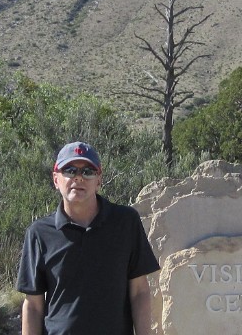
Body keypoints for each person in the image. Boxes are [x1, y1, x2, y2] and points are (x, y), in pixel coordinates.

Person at [17, 141, 160, 335]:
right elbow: (33, 305)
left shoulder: (126, 222)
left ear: (99, 179)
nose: (78, 178)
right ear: (56, 179)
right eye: (69, 170)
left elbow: (139, 291)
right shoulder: (39, 233)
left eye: (88, 171)